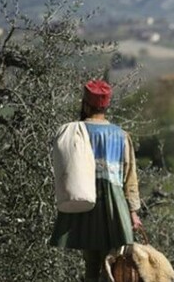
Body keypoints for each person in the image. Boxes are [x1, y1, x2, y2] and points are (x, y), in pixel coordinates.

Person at [50, 79, 142, 282]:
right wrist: (133, 211)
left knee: (91, 261)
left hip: (87, 200)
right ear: (106, 105)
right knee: (114, 261)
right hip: (115, 204)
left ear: (85, 104)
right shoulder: (121, 135)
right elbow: (130, 177)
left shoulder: (76, 131)